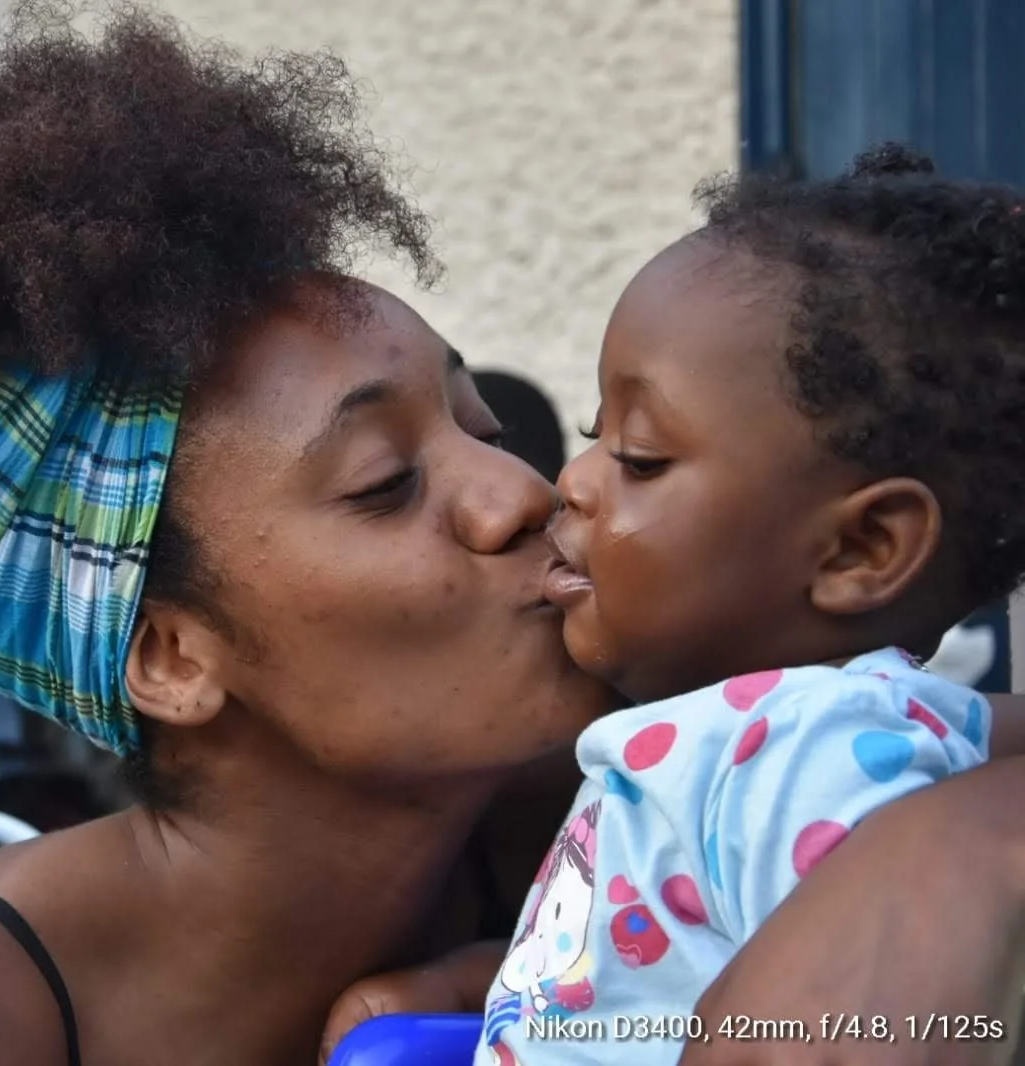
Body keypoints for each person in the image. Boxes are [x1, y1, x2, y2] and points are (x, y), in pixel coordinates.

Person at [0, 6, 1025, 1064]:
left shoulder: (624, 807)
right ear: (168, 652)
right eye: (386, 483)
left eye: (482, 422)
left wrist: (955, 847)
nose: (521, 494)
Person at [333, 146, 1025, 1066]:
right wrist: (474, 990)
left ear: (861, 550)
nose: (569, 483)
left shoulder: (809, 752)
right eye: (592, 436)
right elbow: (656, 973)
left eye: (642, 457)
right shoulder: (711, 741)